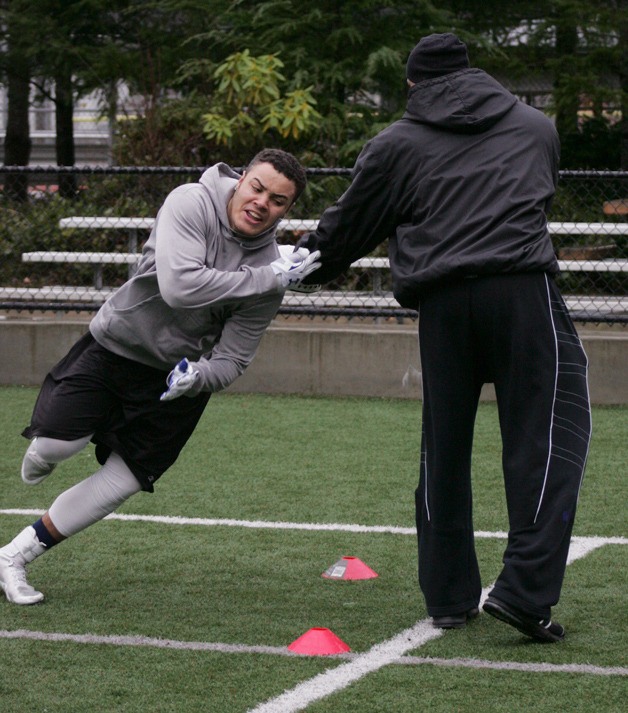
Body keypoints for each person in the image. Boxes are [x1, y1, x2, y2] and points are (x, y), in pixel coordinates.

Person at [297, 34, 591, 642]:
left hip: (443, 304)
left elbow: (347, 229)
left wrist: (289, 267)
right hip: (521, 292)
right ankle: (524, 592)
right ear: (473, 71)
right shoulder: (536, 126)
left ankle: (451, 598)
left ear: (412, 84)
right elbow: (535, 197)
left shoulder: (395, 144)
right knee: (549, 440)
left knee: (444, 448)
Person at [0, 148, 320, 605]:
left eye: (278, 200)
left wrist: (201, 377)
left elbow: (234, 359)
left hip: (176, 377)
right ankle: (46, 450)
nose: (262, 202)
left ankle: (13, 556)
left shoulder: (275, 271)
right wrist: (265, 277)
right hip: (118, 346)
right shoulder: (192, 202)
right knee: (56, 445)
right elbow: (180, 286)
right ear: (242, 177)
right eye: (257, 187)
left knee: (122, 482)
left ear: (287, 210)